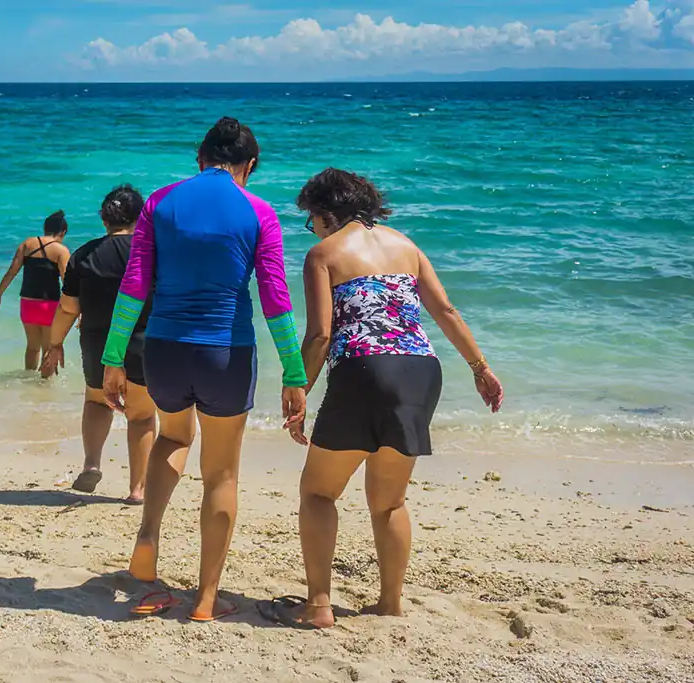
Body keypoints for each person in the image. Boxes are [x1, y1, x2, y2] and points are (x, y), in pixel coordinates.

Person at [256, 168, 505, 630]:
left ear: (325, 212)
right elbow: (446, 311)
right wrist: (481, 368)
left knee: (317, 492)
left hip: (365, 370)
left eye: (310, 218)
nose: (310, 227)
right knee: (388, 501)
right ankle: (390, 602)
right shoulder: (406, 246)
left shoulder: (323, 253)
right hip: (421, 371)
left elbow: (320, 335)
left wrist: (298, 388)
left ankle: (318, 606)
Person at [101, 117, 308, 622]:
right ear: (250, 165)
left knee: (172, 440)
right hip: (226, 353)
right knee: (220, 473)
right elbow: (276, 300)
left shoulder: (159, 202)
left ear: (199, 158)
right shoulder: (259, 212)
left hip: (164, 349)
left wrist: (112, 356)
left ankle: (147, 541)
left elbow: (134, 283)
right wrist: (294, 372)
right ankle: (208, 598)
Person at [40, 185, 155, 504]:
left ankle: (91, 463)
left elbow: (68, 308)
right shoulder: (152, 251)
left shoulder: (84, 254)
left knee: (96, 402)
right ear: (140, 217)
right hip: (144, 340)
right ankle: (137, 489)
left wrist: (55, 342)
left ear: (104, 220)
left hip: (97, 342)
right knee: (142, 416)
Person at [0, 211, 71, 370]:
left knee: (32, 348)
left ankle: (28, 382)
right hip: (49, 306)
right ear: (63, 232)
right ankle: (44, 388)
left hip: (28, 304)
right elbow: (67, 282)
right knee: (48, 349)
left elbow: (11, 271)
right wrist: (77, 308)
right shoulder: (61, 251)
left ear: (45, 228)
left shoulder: (27, 244)